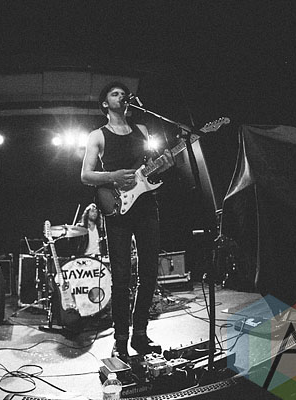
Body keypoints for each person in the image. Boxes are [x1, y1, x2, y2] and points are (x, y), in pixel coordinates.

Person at [81, 82, 174, 359]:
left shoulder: (142, 130)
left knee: (149, 274)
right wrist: (112, 176)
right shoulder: (97, 135)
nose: (122, 96)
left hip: (146, 206)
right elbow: (85, 175)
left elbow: (149, 170)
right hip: (117, 207)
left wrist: (164, 165)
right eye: (115, 94)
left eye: (124, 93)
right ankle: (120, 339)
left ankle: (140, 334)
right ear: (105, 103)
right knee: (121, 278)